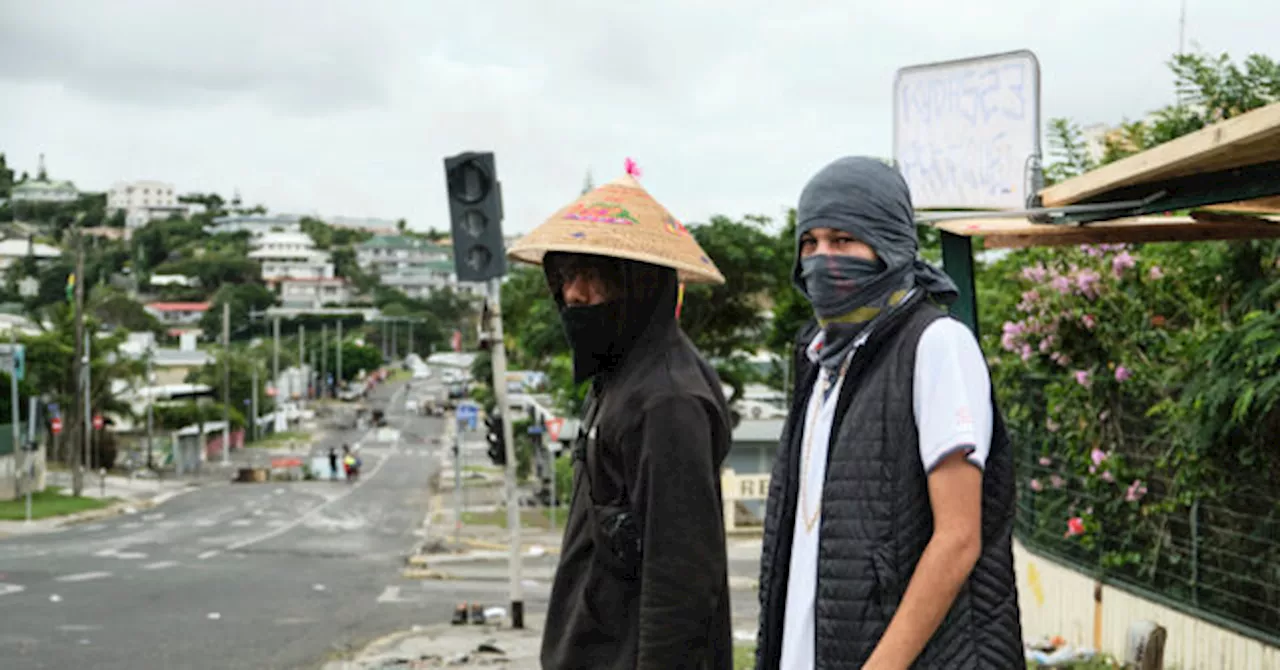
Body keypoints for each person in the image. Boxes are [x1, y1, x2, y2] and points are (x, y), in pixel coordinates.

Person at [754, 157, 1022, 669]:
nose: (821, 259)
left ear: (889, 243)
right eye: (809, 243)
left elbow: (959, 537)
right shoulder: (819, 359)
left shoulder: (937, 344)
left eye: (843, 240)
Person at [507, 161, 734, 670]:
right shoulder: (619, 376)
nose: (575, 295)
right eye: (568, 275)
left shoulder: (667, 400)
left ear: (640, 284)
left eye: (597, 277)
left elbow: (681, 581)